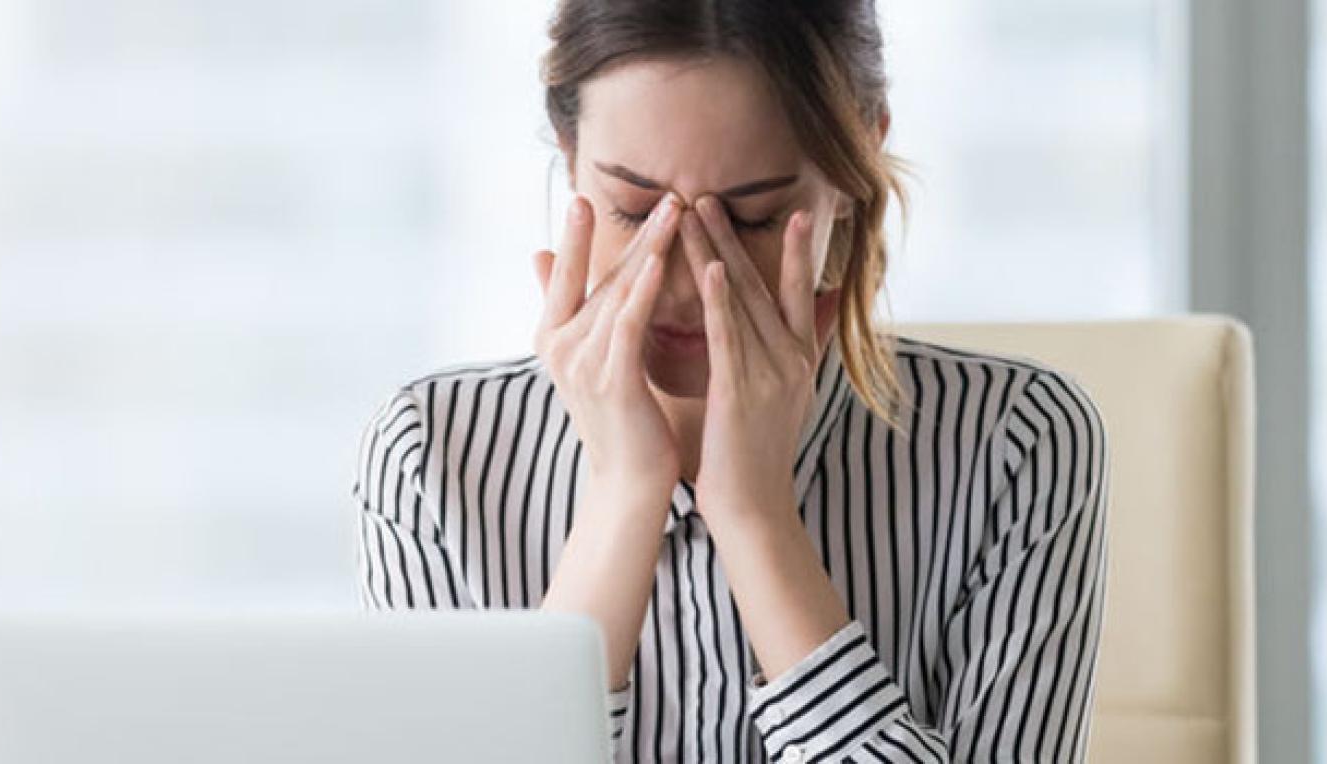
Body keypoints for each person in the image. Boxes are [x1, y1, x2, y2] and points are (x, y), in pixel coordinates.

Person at [349, 1, 1110, 761]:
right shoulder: (431, 457)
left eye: (750, 219)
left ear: (855, 169)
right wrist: (621, 496)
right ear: (568, 151)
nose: (685, 278)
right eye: (633, 209)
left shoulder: (1019, 443)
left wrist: (755, 518)